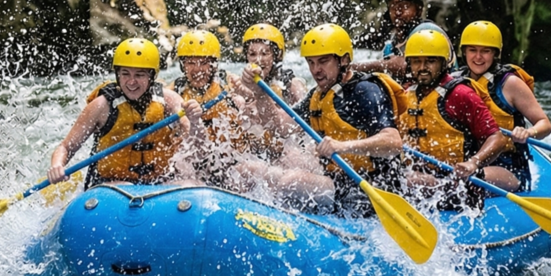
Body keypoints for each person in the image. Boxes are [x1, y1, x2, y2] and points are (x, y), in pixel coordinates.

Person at [239, 23, 404, 215]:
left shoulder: (365, 90)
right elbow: (281, 128)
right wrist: (260, 94)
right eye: (311, 62)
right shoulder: (318, 95)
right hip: (338, 180)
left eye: (323, 61)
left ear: (343, 60)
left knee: (290, 181)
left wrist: (342, 147)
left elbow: (394, 142)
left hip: (371, 188)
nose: (315, 70)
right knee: (252, 169)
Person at [48, 37, 201, 187]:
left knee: (191, 184)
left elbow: (193, 142)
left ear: (151, 76)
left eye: (139, 75)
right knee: (125, 185)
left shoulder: (168, 99)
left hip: (160, 182)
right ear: (117, 74)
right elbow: (66, 147)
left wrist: (194, 121)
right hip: (112, 185)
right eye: (125, 73)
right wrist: (57, 165)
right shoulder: (102, 106)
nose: (131, 81)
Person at [398, 27, 508, 205]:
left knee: (410, 181)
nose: (423, 68)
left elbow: (497, 138)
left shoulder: (461, 95)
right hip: (419, 175)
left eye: (430, 61)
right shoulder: (405, 94)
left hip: (457, 179)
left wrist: (474, 162)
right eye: (416, 62)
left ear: (443, 63)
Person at [456, 20, 551, 191]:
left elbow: (545, 124)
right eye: (472, 50)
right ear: (464, 52)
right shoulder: (455, 82)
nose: (478, 57)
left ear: (495, 54)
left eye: (485, 51)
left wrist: (528, 132)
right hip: (466, 160)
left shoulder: (510, 83)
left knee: (471, 178)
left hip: (507, 167)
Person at [171, 30, 245, 183]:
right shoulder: (174, 91)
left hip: (231, 163)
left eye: (204, 63)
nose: (197, 70)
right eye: (191, 63)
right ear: (182, 65)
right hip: (194, 165)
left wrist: (245, 95)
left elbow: (251, 101)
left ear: (214, 65)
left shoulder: (230, 83)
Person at [352, 0, 453, 81]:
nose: (398, 12)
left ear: (419, 10)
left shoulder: (427, 31)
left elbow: (404, 67)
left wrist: (355, 67)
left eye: (404, 6)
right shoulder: (391, 46)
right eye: (393, 6)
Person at [241, 23, 307, 105]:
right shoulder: (241, 86)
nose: (258, 60)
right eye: (252, 54)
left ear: (277, 55)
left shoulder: (292, 85)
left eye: (264, 53)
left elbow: (306, 113)